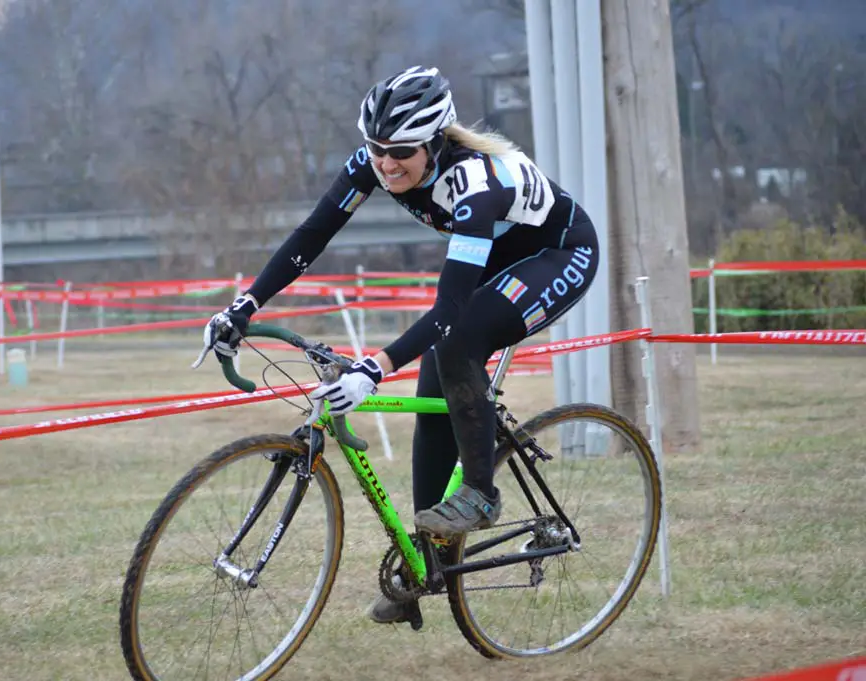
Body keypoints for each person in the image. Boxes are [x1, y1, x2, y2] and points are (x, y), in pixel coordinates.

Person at [197, 65, 600, 624]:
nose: (386, 163)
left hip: (559, 254)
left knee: (456, 341)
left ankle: (481, 493)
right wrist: (245, 304)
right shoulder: (376, 163)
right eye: (377, 147)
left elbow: (449, 311)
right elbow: (311, 236)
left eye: (402, 152)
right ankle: (426, 563)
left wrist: (374, 367)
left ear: (435, 143)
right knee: (435, 392)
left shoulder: (474, 184)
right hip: (500, 259)